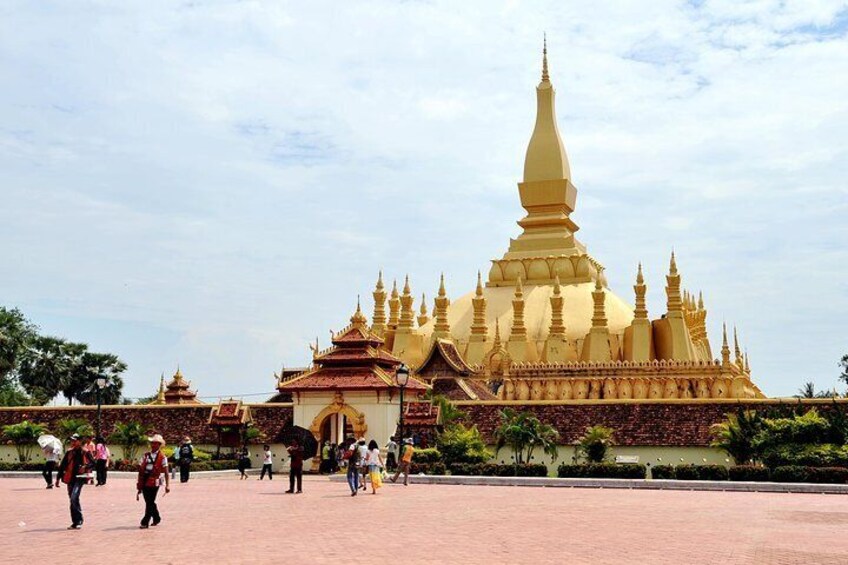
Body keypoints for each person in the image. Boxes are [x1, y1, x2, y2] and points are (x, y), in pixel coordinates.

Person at [55, 433, 94, 529]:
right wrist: (58, 478)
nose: (72, 442)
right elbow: (63, 465)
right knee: (72, 500)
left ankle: (79, 520)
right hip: (70, 478)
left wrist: (85, 467)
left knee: (74, 497)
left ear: (80, 441)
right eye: (71, 440)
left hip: (80, 478)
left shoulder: (85, 452)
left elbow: (93, 463)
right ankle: (75, 522)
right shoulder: (69, 452)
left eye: (74, 440)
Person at [137, 434, 170, 529]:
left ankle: (145, 521)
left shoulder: (163, 457)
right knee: (149, 501)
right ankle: (156, 517)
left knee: (149, 501)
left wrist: (167, 485)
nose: (153, 445)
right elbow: (140, 466)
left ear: (159, 445)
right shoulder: (145, 455)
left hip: (155, 481)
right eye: (152, 443)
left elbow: (167, 472)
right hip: (145, 480)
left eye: (155, 443)